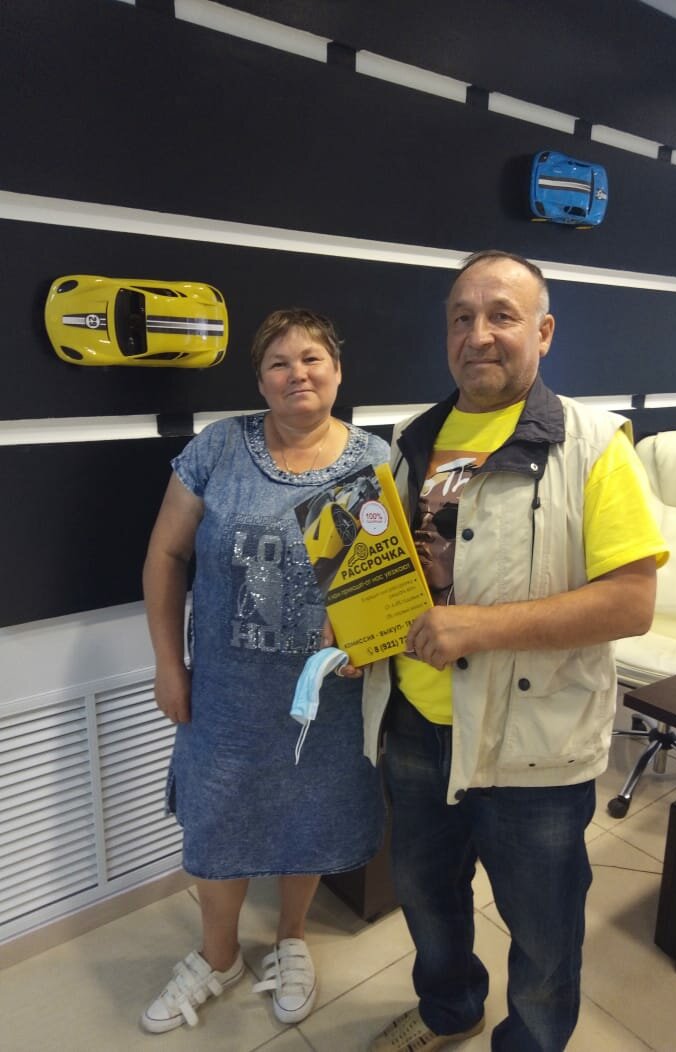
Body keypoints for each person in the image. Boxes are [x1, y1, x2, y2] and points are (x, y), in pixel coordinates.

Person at [362, 251, 669, 1052]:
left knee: (542, 929)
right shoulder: (411, 440)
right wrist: (356, 626)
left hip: (532, 744)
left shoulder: (594, 444)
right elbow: (396, 570)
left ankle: (530, 1041)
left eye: (501, 315)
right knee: (427, 900)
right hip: (416, 728)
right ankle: (450, 1012)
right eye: (461, 318)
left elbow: (632, 602)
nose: (478, 335)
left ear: (544, 331)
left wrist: (480, 627)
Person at [140, 308, 388, 1034]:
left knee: (307, 818)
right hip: (224, 697)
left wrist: (370, 641)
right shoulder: (219, 448)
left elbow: (387, 580)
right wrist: (168, 664)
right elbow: (166, 555)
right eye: (279, 362)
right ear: (260, 380)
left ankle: (291, 939)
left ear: (337, 372)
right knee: (217, 824)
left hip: (325, 703)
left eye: (312, 359)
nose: (297, 374)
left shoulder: (376, 460)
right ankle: (218, 956)